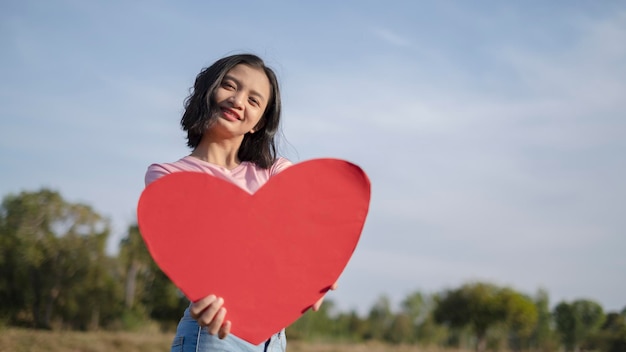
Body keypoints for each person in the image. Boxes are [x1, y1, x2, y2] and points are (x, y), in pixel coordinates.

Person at [144, 53, 335, 352]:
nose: (238, 100)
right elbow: (191, 250)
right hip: (214, 333)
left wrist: (316, 269)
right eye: (230, 86)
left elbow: (306, 232)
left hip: (274, 338)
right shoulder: (169, 176)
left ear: (259, 123)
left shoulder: (276, 171)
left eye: (254, 100)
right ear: (208, 91)